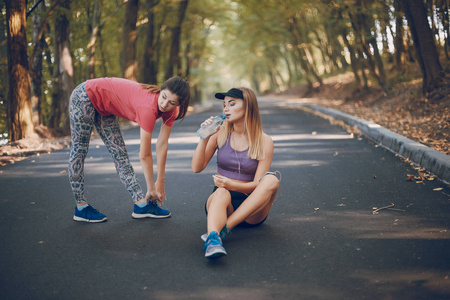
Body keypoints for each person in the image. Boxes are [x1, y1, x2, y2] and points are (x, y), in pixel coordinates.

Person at [68, 76, 190, 222]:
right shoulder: (147, 107)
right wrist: (152, 189)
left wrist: (160, 181)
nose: (164, 104)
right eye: (163, 97)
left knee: (120, 154)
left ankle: (141, 205)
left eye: (171, 103)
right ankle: (81, 208)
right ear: (161, 90)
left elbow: (162, 144)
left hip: (104, 106)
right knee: (80, 150)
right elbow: (144, 155)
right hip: (85, 95)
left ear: (178, 104)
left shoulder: (172, 111)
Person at [191, 87, 280, 258]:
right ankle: (214, 240)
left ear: (248, 107)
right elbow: (197, 167)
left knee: (271, 180)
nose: (226, 108)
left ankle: (220, 232)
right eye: (224, 105)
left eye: (232, 104)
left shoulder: (264, 141)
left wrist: (232, 184)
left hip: (252, 208)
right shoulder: (220, 135)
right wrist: (204, 138)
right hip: (223, 205)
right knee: (221, 192)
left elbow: (256, 185)